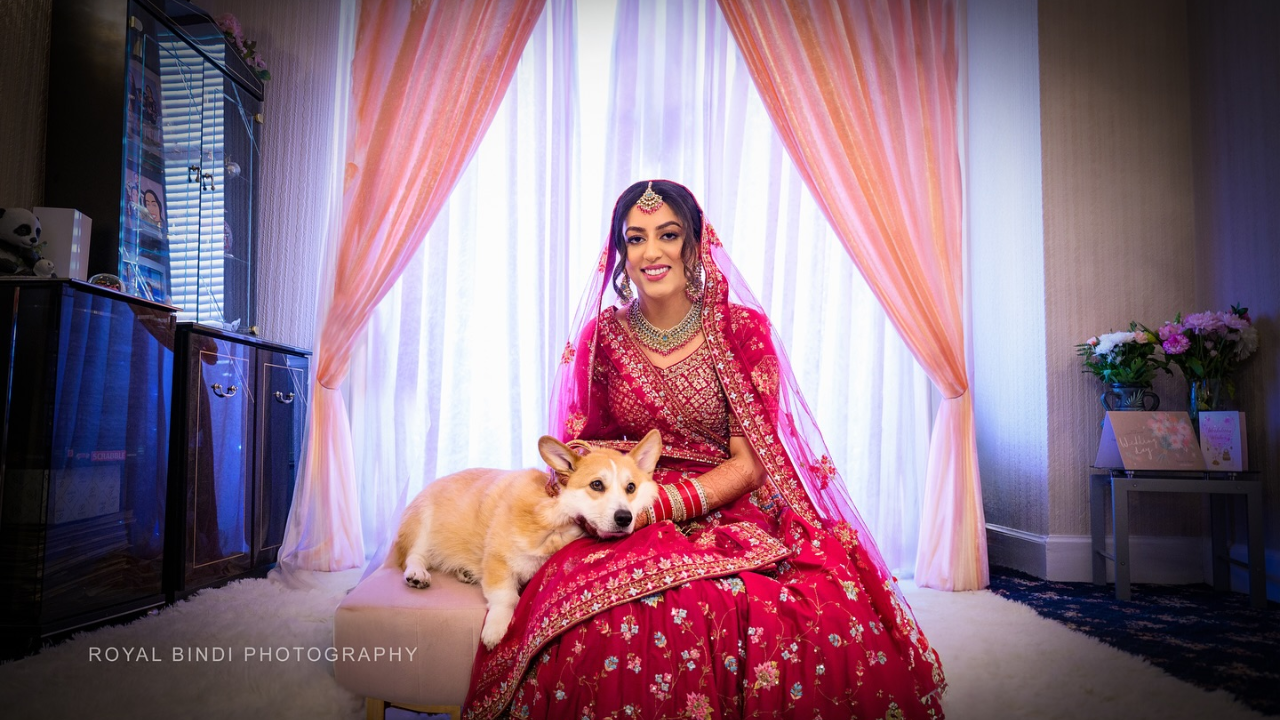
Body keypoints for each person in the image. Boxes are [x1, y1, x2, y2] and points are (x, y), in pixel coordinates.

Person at [463, 180, 946, 719]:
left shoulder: (742, 331)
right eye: (635, 238)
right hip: (623, 502)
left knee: (773, 611)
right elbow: (586, 442)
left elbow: (752, 460)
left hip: (723, 504)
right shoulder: (602, 339)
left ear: (693, 244)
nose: (651, 252)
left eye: (668, 235)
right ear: (621, 253)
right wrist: (620, 495)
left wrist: (666, 505)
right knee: (598, 619)